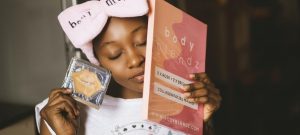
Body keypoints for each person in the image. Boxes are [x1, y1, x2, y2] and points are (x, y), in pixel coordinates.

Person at [35, 0, 221, 135]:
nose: (135, 60)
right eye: (115, 54)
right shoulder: (64, 115)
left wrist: (201, 123)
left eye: (143, 42)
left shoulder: (185, 98)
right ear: (98, 61)